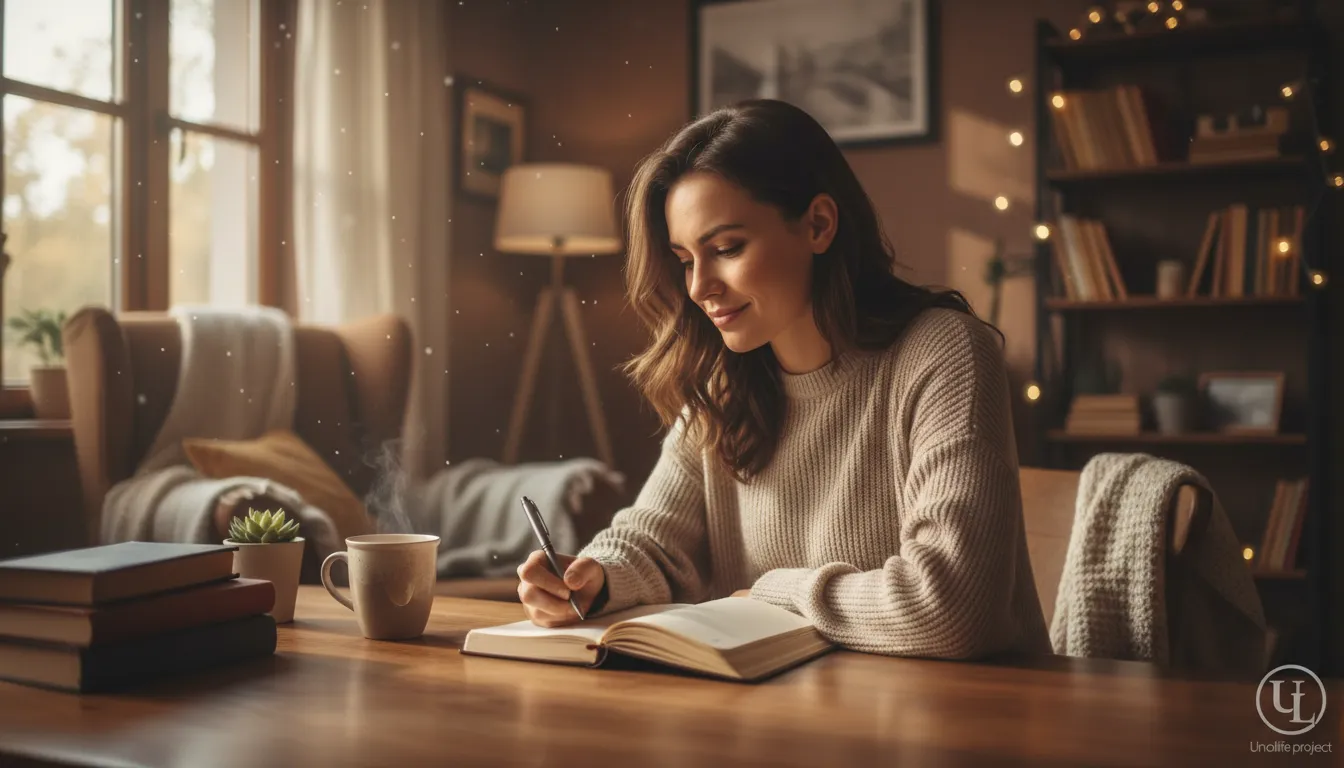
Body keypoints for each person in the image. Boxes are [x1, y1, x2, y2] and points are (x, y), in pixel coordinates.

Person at [516, 98, 1051, 660]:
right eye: (685, 259)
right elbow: (654, 541)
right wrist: (591, 578)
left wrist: (775, 593)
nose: (700, 288)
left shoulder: (944, 354)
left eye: (725, 249)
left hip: (966, 725)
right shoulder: (723, 384)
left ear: (818, 224)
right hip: (791, 717)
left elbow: (952, 606)